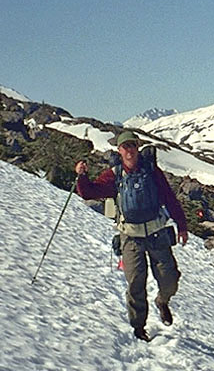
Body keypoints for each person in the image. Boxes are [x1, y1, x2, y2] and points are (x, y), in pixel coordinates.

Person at [74, 131, 189, 342]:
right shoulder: (114, 175)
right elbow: (89, 193)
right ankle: (139, 328)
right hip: (130, 237)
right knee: (136, 281)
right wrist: (81, 176)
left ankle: (162, 301)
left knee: (169, 279)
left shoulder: (152, 172)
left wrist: (181, 225)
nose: (129, 150)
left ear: (137, 147)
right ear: (119, 150)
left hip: (156, 233)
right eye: (124, 146)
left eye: (132, 146)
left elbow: (170, 198)